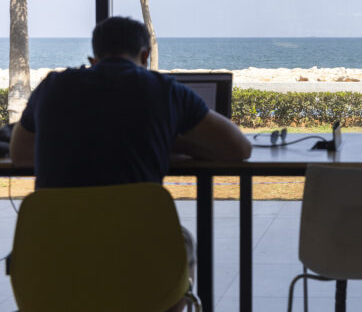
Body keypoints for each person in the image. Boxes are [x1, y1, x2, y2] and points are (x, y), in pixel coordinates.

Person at [10, 16, 251, 312]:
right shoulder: (164, 89)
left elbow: (20, 155)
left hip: (55, 264)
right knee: (182, 240)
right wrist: (170, 142)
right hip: (139, 265)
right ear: (145, 56)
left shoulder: (52, 86)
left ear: (93, 59)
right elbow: (239, 148)